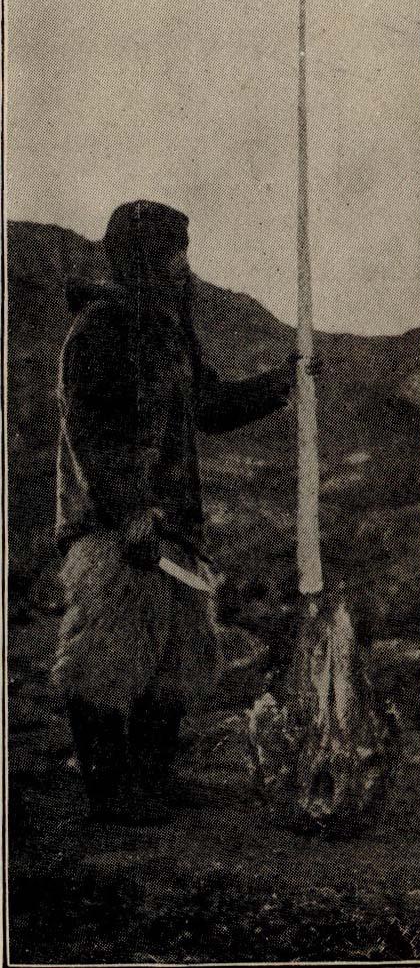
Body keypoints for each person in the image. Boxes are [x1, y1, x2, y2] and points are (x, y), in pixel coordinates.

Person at [54, 199, 308, 825]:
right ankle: (110, 797)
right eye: (173, 252)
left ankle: (150, 784)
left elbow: (210, 406)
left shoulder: (167, 331)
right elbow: (90, 431)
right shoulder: (100, 331)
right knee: (108, 657)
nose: (183, 265)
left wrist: (282, 384)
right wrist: (129, 512)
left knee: (181, 654)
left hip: (175, 530)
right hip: (117, 529)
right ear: (143, 257)